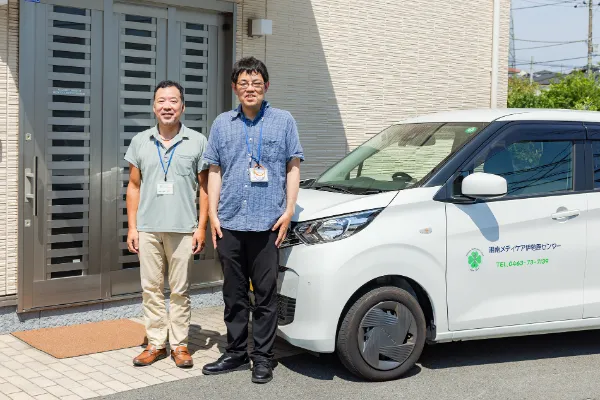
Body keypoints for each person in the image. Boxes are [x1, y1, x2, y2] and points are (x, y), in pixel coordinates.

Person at [201, 57, 304, 383]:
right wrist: (212, 214)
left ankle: (263, 358)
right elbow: (214, 171)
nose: (250, 88)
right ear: (235, 88)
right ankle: (234, 352)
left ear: (266, 86)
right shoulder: (222, 124)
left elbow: (293, 167)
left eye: (256, 83)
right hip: (229, 223)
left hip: (267, 224)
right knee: (233, 294)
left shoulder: (283, 121)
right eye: (244, 83)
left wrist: (289, 210)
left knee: (265, 295)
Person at [125, 80, 209, 368]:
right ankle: (156, 343)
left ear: (182, 107)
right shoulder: (140, 141)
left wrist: (201, 227)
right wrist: (132, 227)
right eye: (161, 101)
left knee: (180, 290)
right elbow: (133, 186)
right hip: (148, 228)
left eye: (173, 101)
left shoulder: (197, 141)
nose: (167, 106)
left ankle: (180, 344)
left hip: (184, 228)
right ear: (153, 107)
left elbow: (205, 188)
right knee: (150, 288)